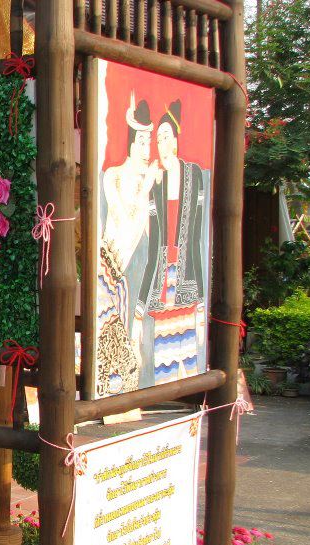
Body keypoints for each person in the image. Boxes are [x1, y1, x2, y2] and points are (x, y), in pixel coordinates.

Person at [133, 100, 208, 385]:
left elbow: (197, 239)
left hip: (187, 277)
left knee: (189, 361)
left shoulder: (194, 175)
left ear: (175, 140)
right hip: (162, 280)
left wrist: (201, 304)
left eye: (166, 136)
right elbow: (150, 245)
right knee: (164, 364)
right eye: (158, 138)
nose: (161, 142)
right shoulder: (157, 181)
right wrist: (139, 312)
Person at [96, 94, 162, 397]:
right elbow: (125, 218)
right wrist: (146, 187)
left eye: (150, 143)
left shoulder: (151, 178)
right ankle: (114, 377)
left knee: (140, 320)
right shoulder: (114, 176)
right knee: (115, 321)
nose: (147, 150)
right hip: (117, 262)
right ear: (131, 143)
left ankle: (136, 377)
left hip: (146, 259)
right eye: (142, 142)